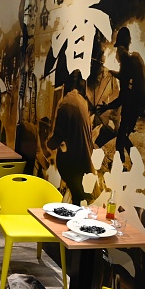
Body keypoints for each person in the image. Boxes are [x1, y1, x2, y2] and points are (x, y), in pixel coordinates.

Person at [97, 26, 145, 167]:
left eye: (118, 50)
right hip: (133, 109)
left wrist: (107, 106)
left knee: (121, 140)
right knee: (123, 137)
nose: (117, 55)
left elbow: (124, 96)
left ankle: (124, 166)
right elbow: (124, 76)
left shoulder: (127, 64)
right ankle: (129, 163)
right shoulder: (130, 64)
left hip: (130, 109)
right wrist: (114, 73)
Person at [47, 70, 94, 205]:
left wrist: (49, 144)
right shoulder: (81, 101)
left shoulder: (66, 103)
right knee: (78, 196)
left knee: (77, 197)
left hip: (73, 161)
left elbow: (59, 135)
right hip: (83, 157)